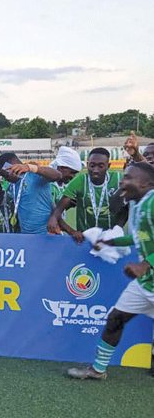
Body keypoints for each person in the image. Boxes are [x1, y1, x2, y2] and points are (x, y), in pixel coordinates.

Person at [68, 162, 154, 380]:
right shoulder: (141, 205)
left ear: (146, 184)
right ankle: (98, 370)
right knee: (116, 318)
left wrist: (144, 265)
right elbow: (138, 238)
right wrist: (109, 242)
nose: (122, 182)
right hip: (146, 283)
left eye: (128, 178)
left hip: (147, 274)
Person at [48, 148, 124, 242]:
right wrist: (54, 218)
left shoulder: (118, 178)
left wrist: (118, 228)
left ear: (108, 166)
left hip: (111, 237)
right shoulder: (80, 180)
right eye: (92, 166)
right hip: (85, 238)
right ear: (87, 164)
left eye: (100, 166)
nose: (95, 170)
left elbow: (127, 206)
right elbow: (59, 208)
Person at [0, 152, 62, 234]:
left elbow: (58, 175)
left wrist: (30, 167)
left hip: (46, 234)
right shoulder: (12, 186)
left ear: (13, 165)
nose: (7, 178)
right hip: (27, 237)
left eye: (6, 174)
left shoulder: (34, 175)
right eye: (4, 176)